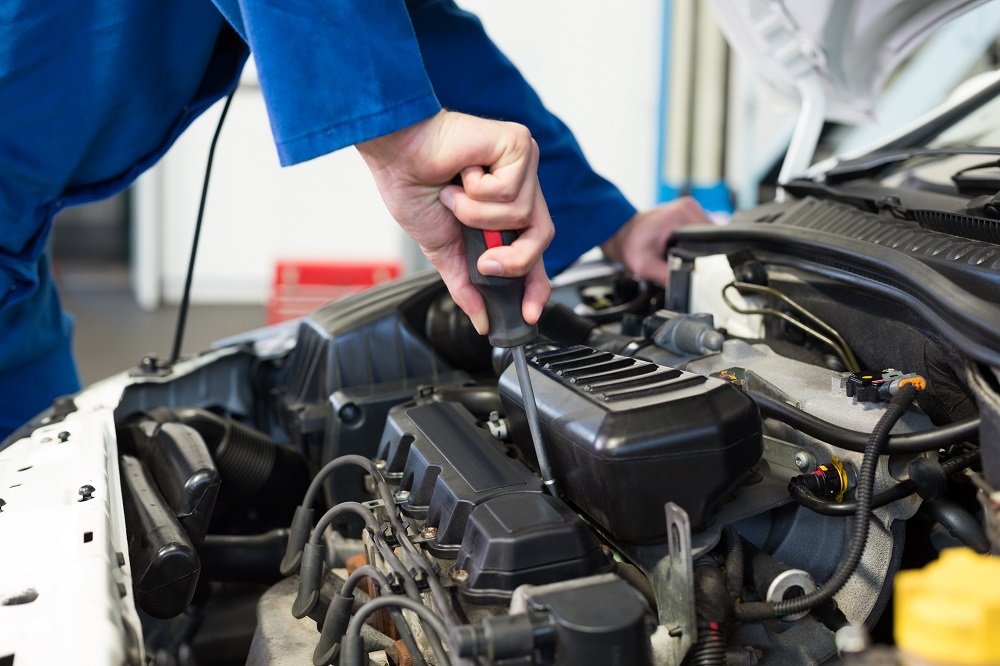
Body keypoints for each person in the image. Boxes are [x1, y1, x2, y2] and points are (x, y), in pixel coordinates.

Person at [0, 0, 708, 439]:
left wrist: (610, 221)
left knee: (40, 490)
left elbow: (423, 34)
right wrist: (402, 141)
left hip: (17, 249)